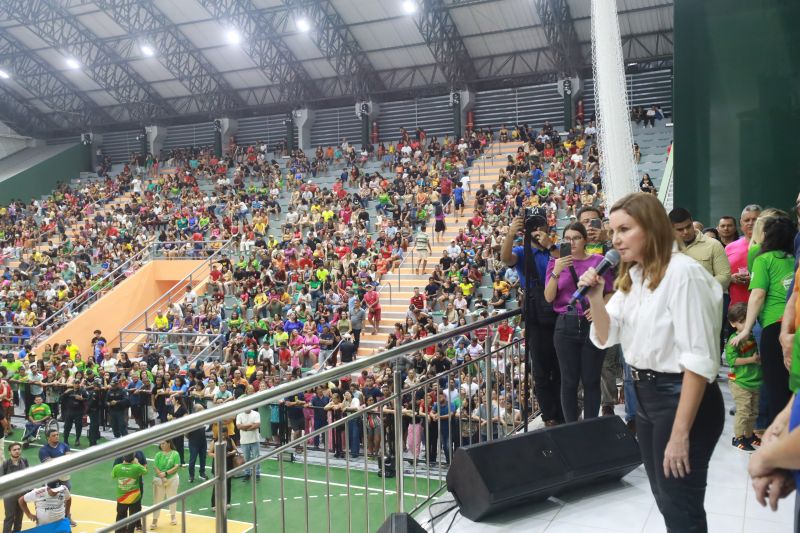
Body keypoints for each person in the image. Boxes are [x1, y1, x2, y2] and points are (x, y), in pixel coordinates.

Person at [581, 192, 724, 532]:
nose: (614, 238)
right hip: (644, 397)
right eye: (611, 230)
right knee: (666, 498)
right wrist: (595, 299)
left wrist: (680, 434)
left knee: (680, 503)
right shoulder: (634, 278)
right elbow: (606, 336)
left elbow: (699, 361)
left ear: (652, 228)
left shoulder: (684, 275)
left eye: (624, 229)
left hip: (682, 399)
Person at [544, 222, 614, 422]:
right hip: (565, 323)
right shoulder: (555, 263)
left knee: (591, 379)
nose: (571, 242)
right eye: (567, 238)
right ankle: (571, 427)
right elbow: (549, 297)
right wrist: (557, 271)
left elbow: (611, 293)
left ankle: (590, 426)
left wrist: (597, 305)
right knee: (569, 381)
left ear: (585, 240)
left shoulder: (599, 262)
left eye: (576, 238)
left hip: (592, 323)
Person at [731, 213, 796, 425]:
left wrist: (745, 329)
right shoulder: (794, 260)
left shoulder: (763, 259)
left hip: (774, 328)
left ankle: (780, 443)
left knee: (776, 388)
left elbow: (757, 295)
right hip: (795, 326)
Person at [500, 215, 563, 426]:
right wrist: (511, 233)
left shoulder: (556, 249)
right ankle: (550, 416)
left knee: (562, 365)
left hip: (559, 311)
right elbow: (506, 258)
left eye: (540, 226)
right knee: (541, 369)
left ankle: (563, 410)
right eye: (532, 227)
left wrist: (550, 246)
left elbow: (569, 268)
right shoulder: (522, 251)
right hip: (536, 315)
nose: (537, 230)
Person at [724, 302, 762, 451]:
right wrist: (751, 360)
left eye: (748, 320)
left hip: (755, 381)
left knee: (753, 411)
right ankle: (738, 438)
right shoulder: (734, 340)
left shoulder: (754, 335)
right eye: (741, 322)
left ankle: (748, 435)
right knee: (743, 411)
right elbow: (732, 360)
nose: (747, 324)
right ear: (733, 324)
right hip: (740, 382)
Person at [111, 453, 147, 533]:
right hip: (134, 497)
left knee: (120, 516)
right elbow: (145, 471)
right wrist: (137, 463)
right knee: (133, 518)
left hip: (121, 497)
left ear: (123, 457)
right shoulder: (136, 467)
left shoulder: (117, 467)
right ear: (133, 458)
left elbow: (113, 476)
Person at [151, 440, 180, 529]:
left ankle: (173, 517)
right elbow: (155, 466)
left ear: (169, 443)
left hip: (172, 479)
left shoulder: (175, 454)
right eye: (161, 443)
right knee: (157, 500)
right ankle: (154, 521)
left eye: (163, 443)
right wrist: (162, 476)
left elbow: (176, 466)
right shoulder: (158, 454)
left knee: (172, 498)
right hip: (159, 480)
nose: (162, 445)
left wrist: (166, 473)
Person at [2, 442, 29, 533]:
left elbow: (28, 475)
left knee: (19, 516)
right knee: (10, 517)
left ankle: (17, 531)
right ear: (10, 452)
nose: (17, 451)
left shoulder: (24, 460)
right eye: (14, 450)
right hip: (10, 495)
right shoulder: (5, 464)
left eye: (18, 449)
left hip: (22, 493)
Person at [236, 403, 261, 481]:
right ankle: (247, 473)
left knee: (256, 457)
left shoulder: (256, 414)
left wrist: (245, 428)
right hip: (244, 441)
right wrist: (250, 425)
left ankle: (257, 474)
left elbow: (257, 425)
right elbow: (238, 426)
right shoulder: (239, 415)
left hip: (255, 440)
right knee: (246, 458)